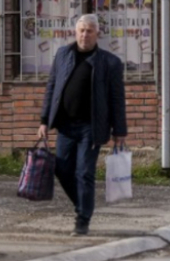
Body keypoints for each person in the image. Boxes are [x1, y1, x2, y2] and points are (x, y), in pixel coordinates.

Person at [37, 14, 128, 237]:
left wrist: (120, 130)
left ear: (97, 34)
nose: (85, 35)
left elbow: (117, 98)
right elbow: (52, 88)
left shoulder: (110, 62)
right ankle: (83, 204)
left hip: (91, 127)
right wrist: (43, 121)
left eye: (89, 31)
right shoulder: (62, 54)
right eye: (81, 30)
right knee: (61, 169)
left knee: (84, 172)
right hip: (66, 126)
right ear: (75, 32)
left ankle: (82, 219)